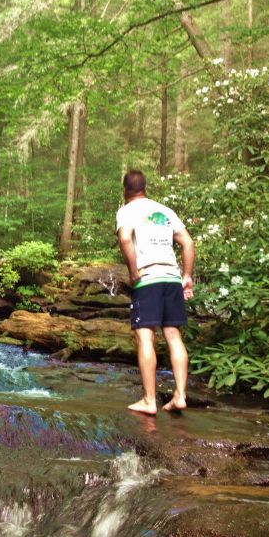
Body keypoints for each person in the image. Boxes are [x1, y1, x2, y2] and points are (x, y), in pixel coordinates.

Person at [115, 170, 195, 415]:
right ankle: (180, 396)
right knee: (173, 336)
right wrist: (187, 277)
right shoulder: (165, 210)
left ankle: (150, 400)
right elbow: (188, 243)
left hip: (148, 278)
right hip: (171, 277)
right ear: (145, 188)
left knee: (145, 337)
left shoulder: (127, 210)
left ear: (125, 190)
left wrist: (133, 270)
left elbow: (126, 239)